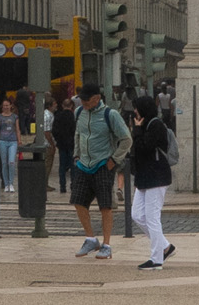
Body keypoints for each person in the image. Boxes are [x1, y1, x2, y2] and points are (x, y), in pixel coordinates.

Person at [69, 78, 130, 261]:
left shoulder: (110, 115)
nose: (84, 104)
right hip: (83, 164)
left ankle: (107, 244)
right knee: (78, 201)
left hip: (103, 164)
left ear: (96, 98)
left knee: (105, 206)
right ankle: (90, 238)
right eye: (82, 100)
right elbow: (79, 133)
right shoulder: (79, 112)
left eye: (86, 101)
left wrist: (113, 160)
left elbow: (126, 139)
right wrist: (76, 155)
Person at [128, 92, 176, 272]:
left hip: (157, 177)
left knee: (152, 217)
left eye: (136, 108)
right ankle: (165, 246)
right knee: (137, 215)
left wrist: (138, 130)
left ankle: (157, 259)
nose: (134, 112)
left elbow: (144, 148)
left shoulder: (155, 126)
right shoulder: (145, 125)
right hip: (145, 177)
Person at [0, 97, 21, 195]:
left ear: (11, 106)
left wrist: (19, 140)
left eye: (7, 105)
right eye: (4, 105)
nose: (6, 107)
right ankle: (6, 184)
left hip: (12, 141)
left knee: (11, 162)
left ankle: (11, 183)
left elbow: (17, 129)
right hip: (2, 141)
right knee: (4, 163)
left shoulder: (15, 117)